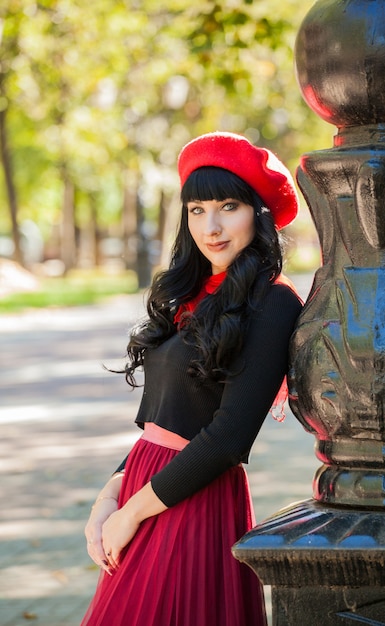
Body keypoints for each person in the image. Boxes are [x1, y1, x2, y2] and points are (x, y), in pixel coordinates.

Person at [81, 131, 302, 626]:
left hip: (192, 497)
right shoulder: (193, 293)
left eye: (229, 206)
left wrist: (132, 512)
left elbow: (228, 436)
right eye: (197, 209)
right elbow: (165, 415)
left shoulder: (273, 300)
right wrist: (110, 495)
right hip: (144, 484)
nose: (212, 226)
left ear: (258, 214)